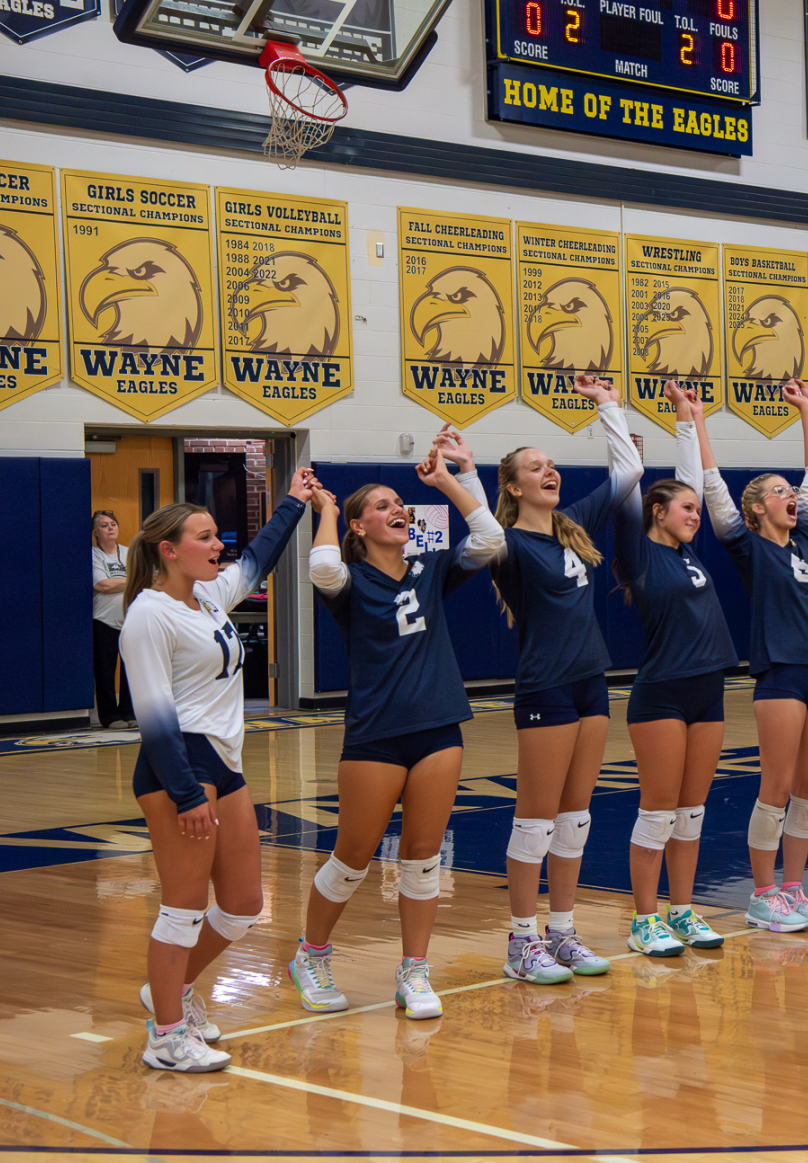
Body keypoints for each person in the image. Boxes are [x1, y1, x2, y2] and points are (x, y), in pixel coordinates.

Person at [291, 427, 504, 1018]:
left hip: (438, 727)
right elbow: (323, 570)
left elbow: (488, 536)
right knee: (353, 857)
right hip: (375, 736)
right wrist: (329, 510)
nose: (398, 510)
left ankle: (414, 972)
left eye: (400, 503)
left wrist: (451, 479)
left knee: (423, 855)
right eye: (382, 505)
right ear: (359, 526)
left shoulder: (430, 568)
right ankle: (311, 953)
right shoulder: (350, 582)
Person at [121, 470, 316, 1071]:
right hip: (177, 764)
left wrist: (293, 501)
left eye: (215, 538)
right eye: (203, 538)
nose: (217, 547)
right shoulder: (148, 616)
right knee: (182, 906)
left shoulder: (207, 595)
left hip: (224, 763)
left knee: (241, 904)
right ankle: (167, 1036)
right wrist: (185, 795)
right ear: (168, 550)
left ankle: (169, 993)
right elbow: (153, 720)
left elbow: (260, 557)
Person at [485, 374, 642, 981]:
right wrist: (459, 471)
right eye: (534, 467)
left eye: (551, 464)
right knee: (536, 819)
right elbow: (477, 520)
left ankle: (563, 931)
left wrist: (607, 405)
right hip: (545, 687)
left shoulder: (572, 523)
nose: (548, 472)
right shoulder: (506, 544)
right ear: (513, 485)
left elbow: (627, 475)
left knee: (576, 817)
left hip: (591, 683)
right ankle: (521, 942)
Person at [702, 379, 808, 931]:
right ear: (759, 508)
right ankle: (763, 895)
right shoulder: (747, 546)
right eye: (779, 492)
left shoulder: (806, 538)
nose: (793, 496)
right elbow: (714, 488)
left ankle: (794, 889)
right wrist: (698, 422)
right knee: (777, 788)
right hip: (780, 675)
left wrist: (806, 409)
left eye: (791, 492)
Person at [612, 382, 737, 955]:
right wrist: (615, 420)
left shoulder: (688, 552)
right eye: (685, 509)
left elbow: (687, 479)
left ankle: (682, 911)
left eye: (695, 508)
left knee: (692, 813)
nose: (695, 515)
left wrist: (689, 419)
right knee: (658, 812)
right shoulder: (642, 554)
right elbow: (629, 494)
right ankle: (644, 920)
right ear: (657, 514)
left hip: (707, 693)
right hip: (661, 696)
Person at [93, 510, 136, 730]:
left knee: (132, 670)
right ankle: (110, 717)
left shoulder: (130, 553)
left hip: (131, 622)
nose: (110, 528)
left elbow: (151, 579)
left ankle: (130, 712)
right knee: (105, 672)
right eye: (104, 525)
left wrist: (120, 582)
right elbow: (102, 585)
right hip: (104, 621)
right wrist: (133, 580)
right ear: (95, 532)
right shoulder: (93, 555)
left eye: (113, 523)